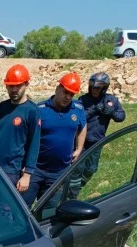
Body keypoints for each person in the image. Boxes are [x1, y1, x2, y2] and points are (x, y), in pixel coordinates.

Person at [0, 64, 40, 198]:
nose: (14, 89)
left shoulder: (31, 111)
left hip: (12, 171)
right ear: (6, 85)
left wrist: (27, 175)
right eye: (11, 86)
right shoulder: (1, 107)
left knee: (5, 211)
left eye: (18, 86)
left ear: (26, 84)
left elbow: (34, 144)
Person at [27, 73, 86, 208]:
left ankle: (41, 229)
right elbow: (28, 136)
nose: (67, 97)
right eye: (65, 92)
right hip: (36, 169)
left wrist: (79, 148)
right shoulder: (40, 109)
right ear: (57, 88)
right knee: (24, 207)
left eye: (71, 94)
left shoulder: (78, 109)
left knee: (48, 211)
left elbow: (83, 126)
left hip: (59, 172)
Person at [69, 72, 126, 198]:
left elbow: (121, 116)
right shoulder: (83, 100)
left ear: (104, 88)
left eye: (98, 88)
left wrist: (111, 113)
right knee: (77, 168)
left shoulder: (111, 100)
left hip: (97, 141)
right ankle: (71, 196)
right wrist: (94, 110)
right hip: (81, 140)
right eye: (93, 87)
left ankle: (76, 188)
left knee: (91, 169)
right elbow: (78, 118)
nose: (95, 90)